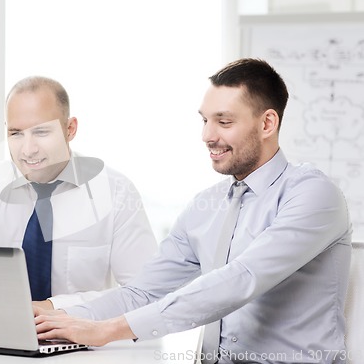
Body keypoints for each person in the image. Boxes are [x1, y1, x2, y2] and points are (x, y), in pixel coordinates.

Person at [34, 59, 353, 364]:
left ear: (267, 123)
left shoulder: (313, 195)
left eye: (224, 122)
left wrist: (107, 330)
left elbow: (242, 279)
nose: (207, 136)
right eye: (205, 120)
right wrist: (55, 321)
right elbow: (142, 293)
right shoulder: (206, 206)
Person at [0, 76, 157, 310]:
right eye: (16, 133)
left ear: (70, 129)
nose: (28, 149)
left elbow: (144, 293)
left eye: (42, 132)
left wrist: (54, 308)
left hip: (85, 341)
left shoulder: (116, 193)